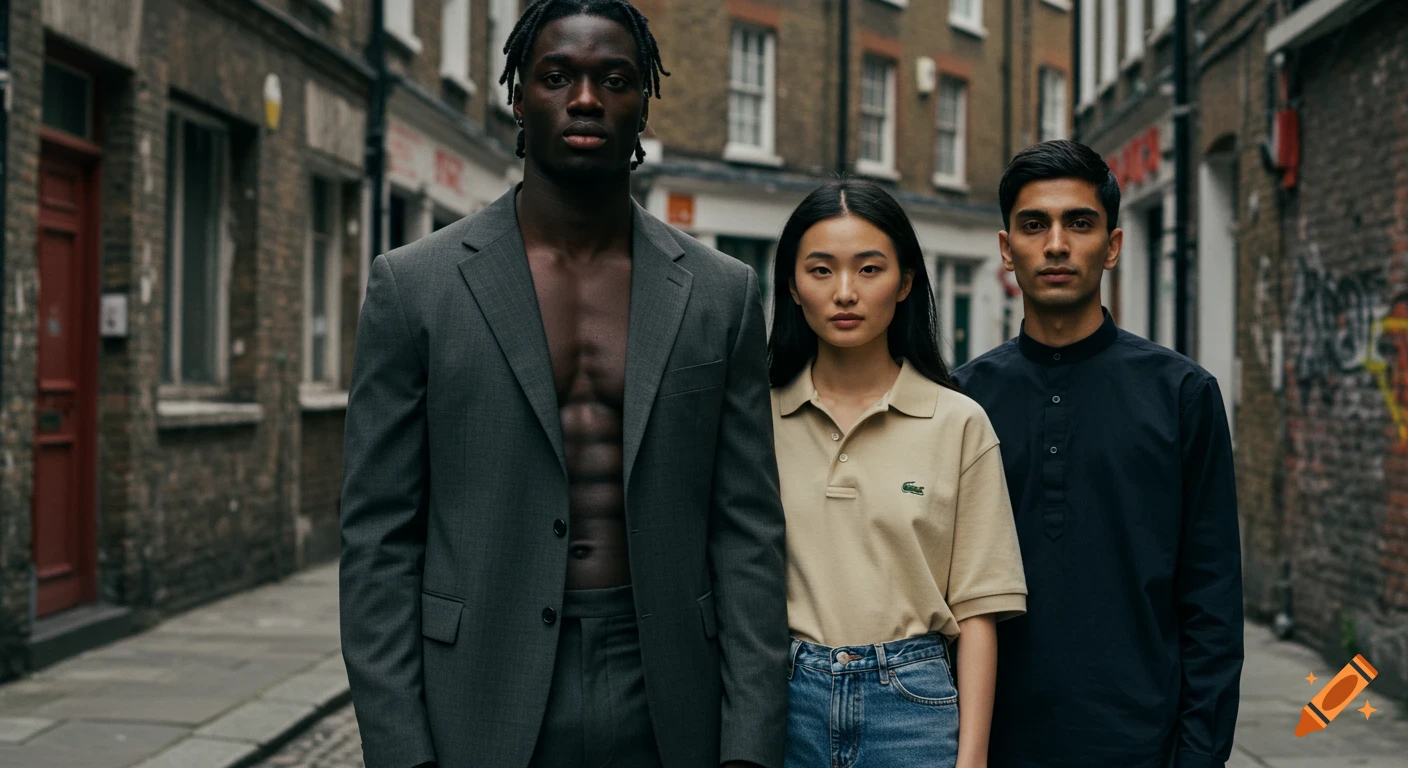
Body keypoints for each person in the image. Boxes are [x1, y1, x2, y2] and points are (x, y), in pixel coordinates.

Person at [338, 1, 789, 766]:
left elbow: (747, 531)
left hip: (671, 689)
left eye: (614, 79)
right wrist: (399, 748)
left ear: (643, 100)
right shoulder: (416, 287)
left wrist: (749, 742)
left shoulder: (722, 293)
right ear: (518, 96)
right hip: (479, 683)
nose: (586, 99)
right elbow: (378, 538)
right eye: (557, 77)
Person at [952, 139, 1243, 768]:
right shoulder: (959, 402)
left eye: (1078, 223)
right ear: (1007, 250)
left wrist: (1197, 757)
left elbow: (1212, 600)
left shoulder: (1183, 395)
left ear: (1112, 245)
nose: (1056, 244)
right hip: (989, 746)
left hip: (1141, 745)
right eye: (1034, 225)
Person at [767, 180, 1028, 768]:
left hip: (912, 705)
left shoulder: (959, 422)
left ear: (906, 282)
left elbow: (979, 612)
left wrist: (972, 760)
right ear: (792, 286)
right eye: (821, 270)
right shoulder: (756, 419)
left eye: (869, 269)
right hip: (784, 702)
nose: (845, 292)